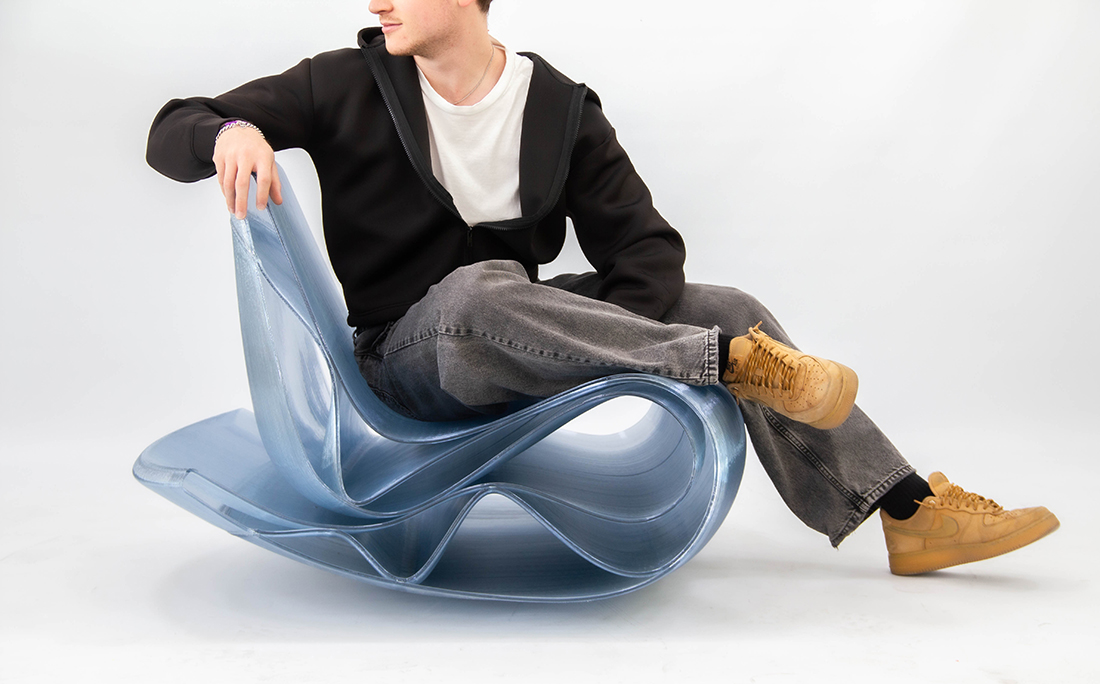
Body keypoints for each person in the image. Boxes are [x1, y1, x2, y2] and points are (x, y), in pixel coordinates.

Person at [146, 0, 1058, 576]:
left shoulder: (558, 108)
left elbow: (644, 246)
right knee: (478, 292)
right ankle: (724, 363)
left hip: (518, 332)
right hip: (408, 360)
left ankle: (908, 511)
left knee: (725, 306)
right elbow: (170, 128)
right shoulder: (340, 83)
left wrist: (604, 344)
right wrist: (229, 130)